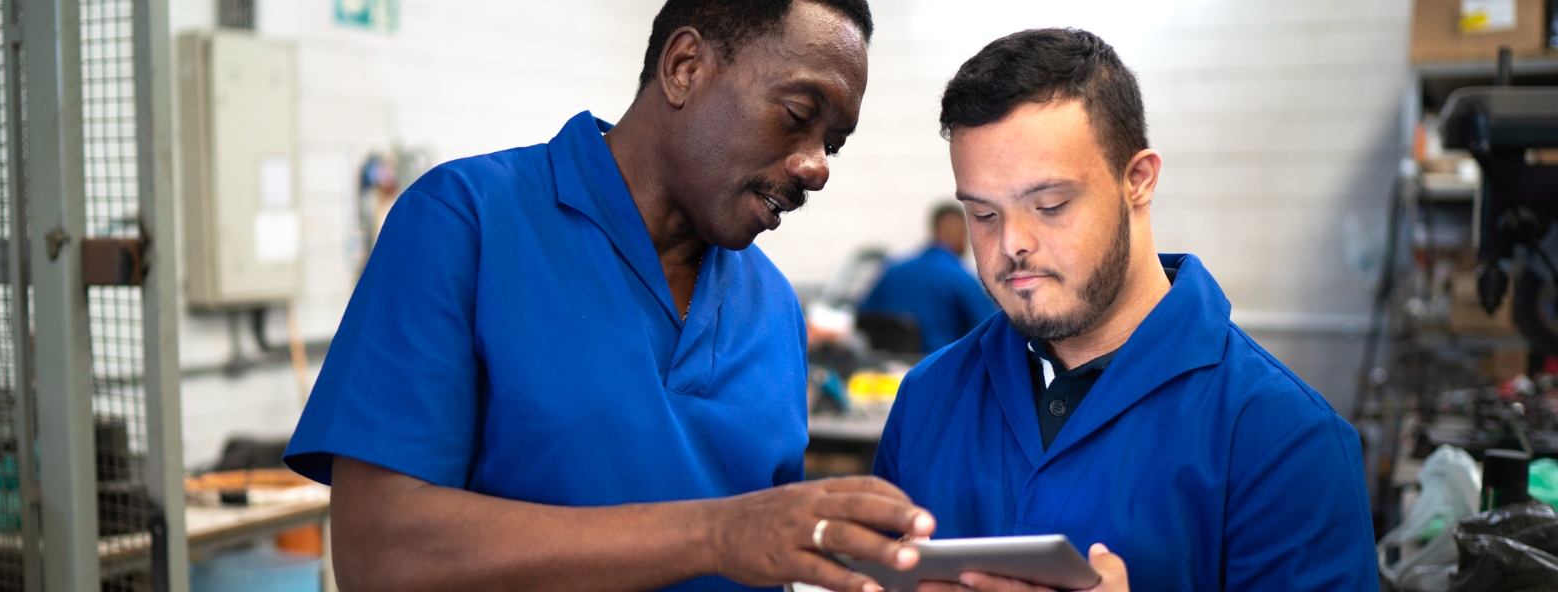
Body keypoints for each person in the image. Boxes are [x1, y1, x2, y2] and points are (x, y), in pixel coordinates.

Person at [281, 2, 937, 591]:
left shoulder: (773, 307)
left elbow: (769, 558)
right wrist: (714, 535)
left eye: (833, 144)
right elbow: (379, 552)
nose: (816, 166)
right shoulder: (468, 222)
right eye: (797, 116)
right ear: (684, 67)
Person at [872, 28, 1377, 591]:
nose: (1012, 243)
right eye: (984, 215)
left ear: (1138, 181)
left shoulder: (1283, 437)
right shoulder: (927, 398)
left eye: (1051, 205)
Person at [861, 203, 996, 352]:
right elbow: (992, 329)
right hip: (940, 367)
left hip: (888, 368)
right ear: (961, 232)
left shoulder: (892, 269)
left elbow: (862, 317)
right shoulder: (961, 278)